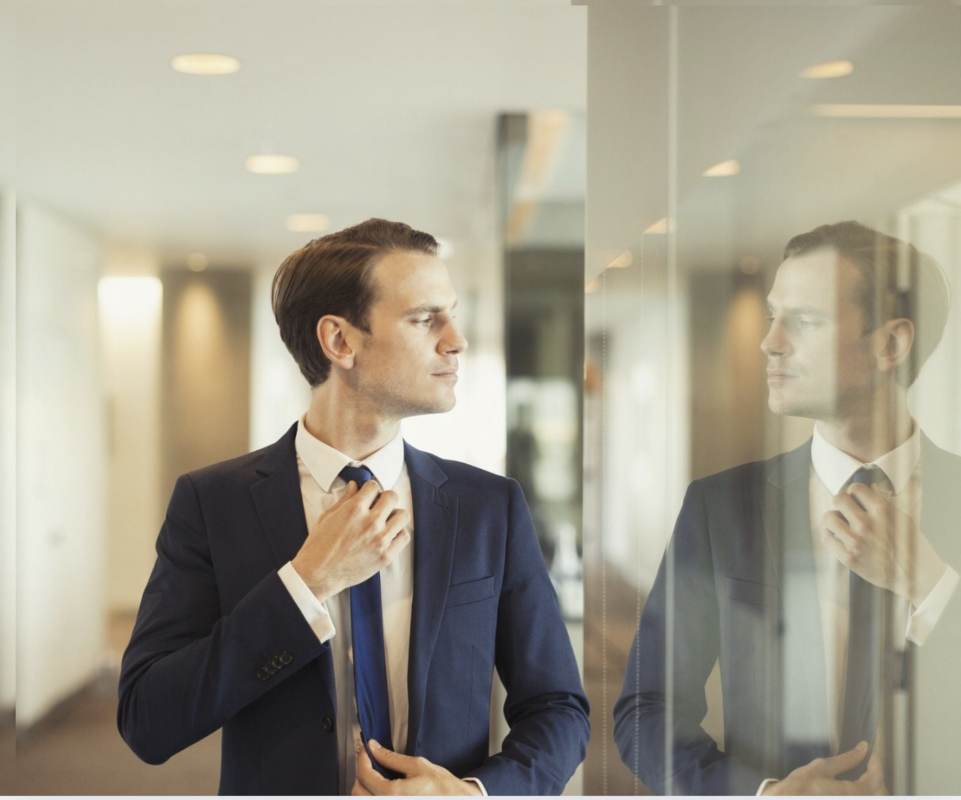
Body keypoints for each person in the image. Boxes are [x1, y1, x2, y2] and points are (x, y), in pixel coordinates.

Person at [118, 218, 589, 795]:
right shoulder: (212, 503)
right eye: (424, 319)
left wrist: (472, 794)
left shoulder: (490, 507)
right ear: (340, 341)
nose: (455, 339)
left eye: (452, 314)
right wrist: (306, 582)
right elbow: (147, 719)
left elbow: (560, 709)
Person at [613, 221, 959, 795]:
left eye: (804, 320)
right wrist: (764, 794)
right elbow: (645, 711)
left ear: (890, 345)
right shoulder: (720, 506)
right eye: (775, 316)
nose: (769, 341)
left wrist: (932, 584)